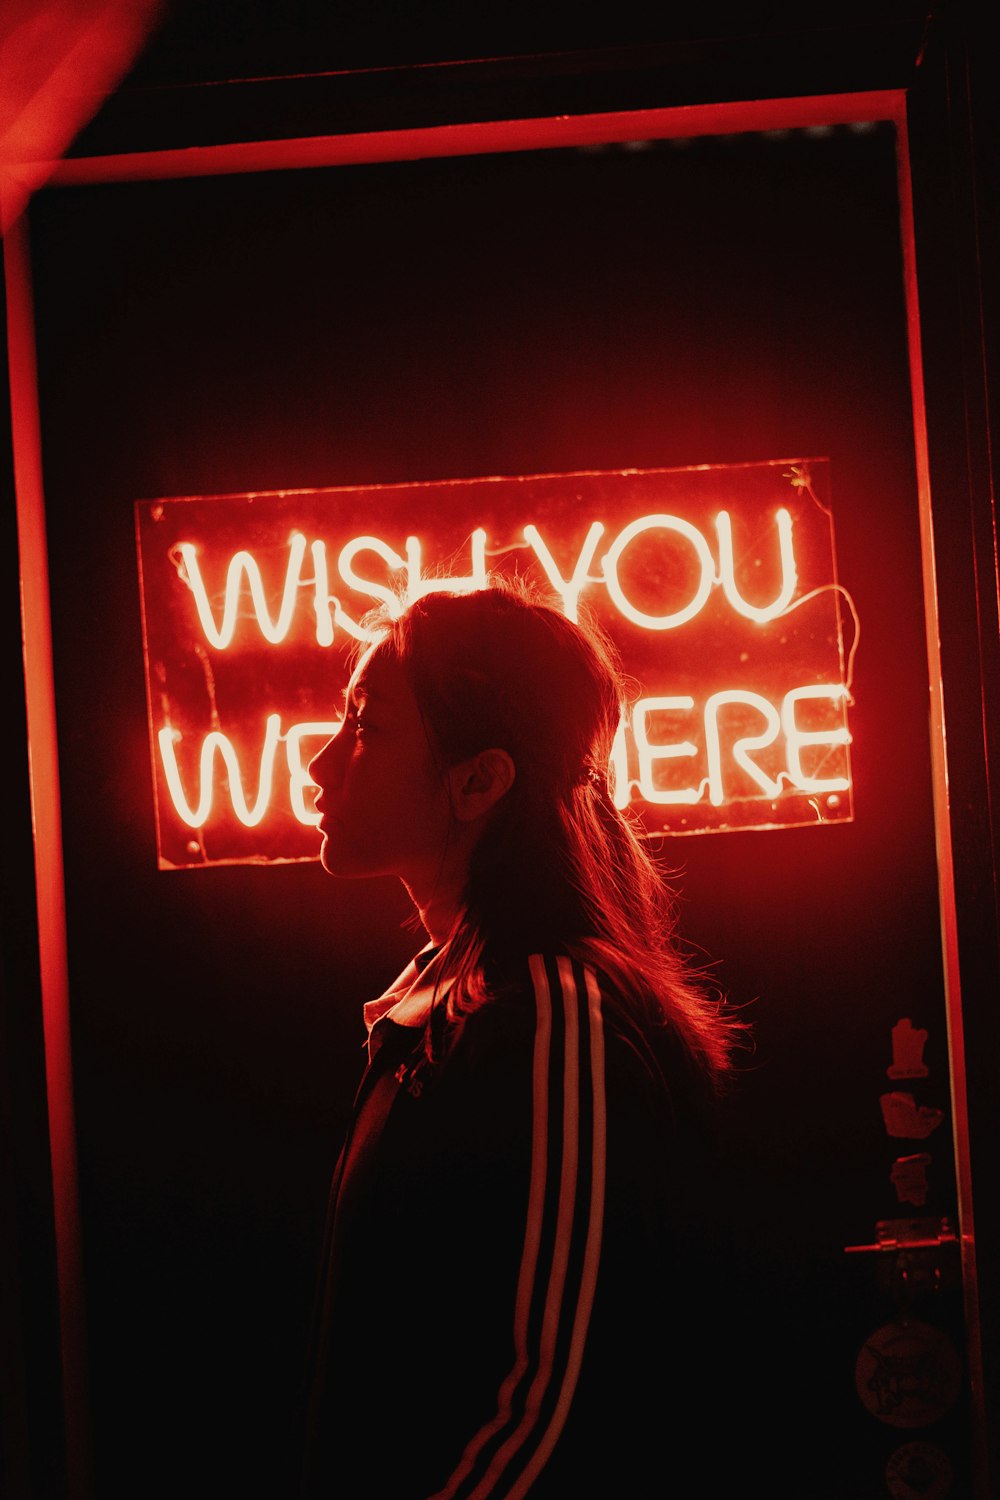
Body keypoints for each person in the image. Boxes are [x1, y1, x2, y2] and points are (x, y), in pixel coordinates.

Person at [299, 576, 744, 1499]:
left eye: (365, 726)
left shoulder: (548, 1017)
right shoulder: (440, 1006)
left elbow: (551, 1402)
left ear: (478, 781)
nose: (319, 762)